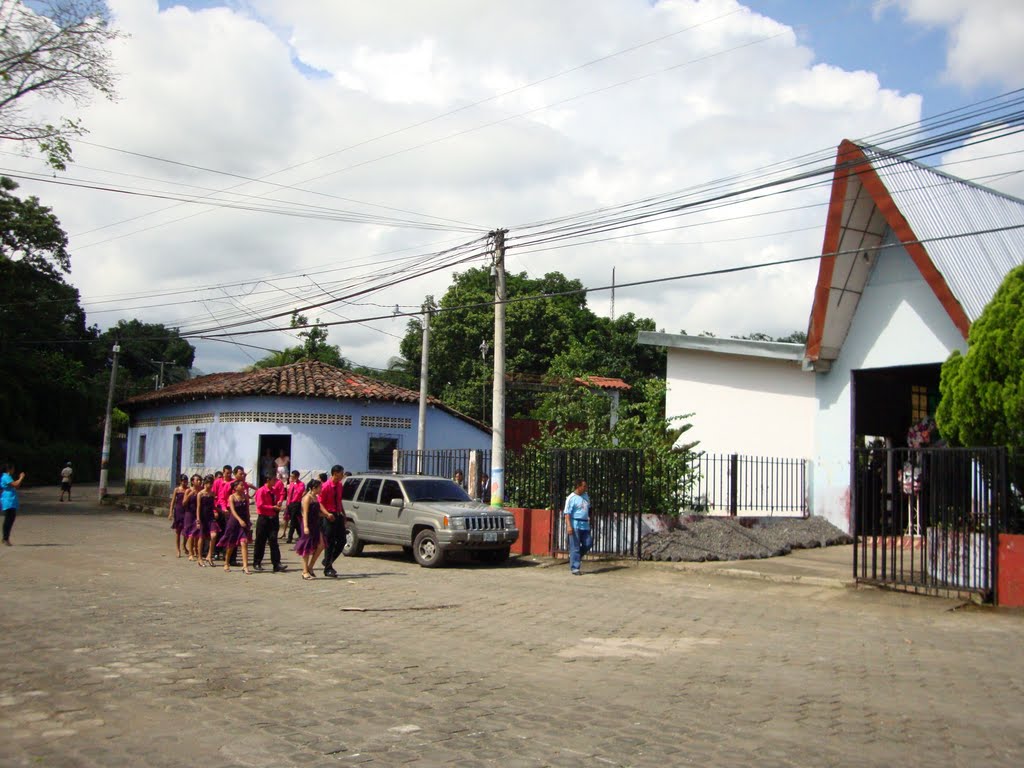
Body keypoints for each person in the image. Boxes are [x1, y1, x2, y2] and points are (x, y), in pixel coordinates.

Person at [252, 474, 287, 573]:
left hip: (273, 518)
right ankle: (257, 562)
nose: (275, 481)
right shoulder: (261, 491)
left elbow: (281, 494)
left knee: (273, 541)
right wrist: (272, 507)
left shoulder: (273, 490)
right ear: (268, 480)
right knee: (260, 541)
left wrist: (279, 501)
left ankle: (276, 564)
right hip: (264, 519)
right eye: (273, 479)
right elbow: (260, 505)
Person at [219, 479, 253, 574]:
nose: (243, 487)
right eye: (241, 485)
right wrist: (239, 520)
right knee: (231, 544)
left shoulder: (245, 497)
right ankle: (226, 562)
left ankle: (245, 566)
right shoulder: (232, 497)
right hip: (234, 522)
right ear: (235, 487)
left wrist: (248, 521)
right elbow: (232, 511)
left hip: (244, 522)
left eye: (243, 485)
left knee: (244, 542)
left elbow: (247, 510)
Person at [318, 464, 346, 578]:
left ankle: (327, 560)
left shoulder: (339, 485)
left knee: (342, 541)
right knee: (329, 542)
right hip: (328, 515)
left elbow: (339, 500)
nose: (342, 475)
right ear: (335, 474)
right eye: (341, 473)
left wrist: (343, 513)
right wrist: (327, 514)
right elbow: (320, 503)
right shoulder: (325, 486)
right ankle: (328, 568)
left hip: (338, 514)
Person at [294, 478, 324, 580]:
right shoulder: (307, 498)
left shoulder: (316, 497)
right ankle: (304, 571)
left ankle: (310, 566)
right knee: (306, 548)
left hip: (316, 523)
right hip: (308, 524)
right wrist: (306, 526)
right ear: (314, 488)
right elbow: (305, 513)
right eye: (320, 487)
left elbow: (318, 510)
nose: (321, 489)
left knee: (321, 545)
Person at [563, 479, 592, 576]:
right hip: (575, 524)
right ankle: (575, 568)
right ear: (578, 486)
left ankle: (575, 557)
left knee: (588, 543)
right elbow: (567, 513)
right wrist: (569, 526)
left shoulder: (586, 496)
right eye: (584, 486)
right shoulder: (571, 498)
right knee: (575, 547)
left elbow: (588, 508)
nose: (585, 488)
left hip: (585, 525)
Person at [196, 474, 219, 567]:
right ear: (205, 484)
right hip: (202, 517)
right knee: (201, 537)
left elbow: (212, 506)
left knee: (213, 536)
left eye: (211, 484)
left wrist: (219, 511)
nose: (210, 485)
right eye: (208, 483)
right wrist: (198, 519)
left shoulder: (212, 494)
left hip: (211, 517)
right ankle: (199, 557)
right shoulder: (200, 494)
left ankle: (209, 555)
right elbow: (198, 507)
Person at [1, 463, 25, 546]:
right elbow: (16, 484)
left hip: (11, 499)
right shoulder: (6, 476)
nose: (14, 470)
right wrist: (21, 477)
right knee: (8, 519)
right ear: (9, 469)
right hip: (8, 500)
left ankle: (5, 538)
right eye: (13, 469)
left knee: (10, 519)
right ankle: (5, 538)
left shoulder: (8, 477)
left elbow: (15, 485)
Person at [182, 474, 202, 562]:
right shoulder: (188, 490)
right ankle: (190, 553)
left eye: (200, 480)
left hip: (198, 514)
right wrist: (190, 495)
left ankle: (196, 550)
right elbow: (184, 503)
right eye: (197, 480)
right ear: (193, 482)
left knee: (197, 533)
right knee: (190, 534)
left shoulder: (201, 491)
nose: (199, 482)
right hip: (189, 513)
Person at [168, 474, 188, 558]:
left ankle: (184, 545)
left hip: (186, 511)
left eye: (186, 481)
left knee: (186, 531)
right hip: (178, 511)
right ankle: (178, 549)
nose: (185, 483)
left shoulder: (188, 490)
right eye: (183, 481)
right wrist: (170, 512)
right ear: (180, 481)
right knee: (178, 531)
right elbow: (173, 501)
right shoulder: (177, 489)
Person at [283, 470, 304, 544]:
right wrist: (287, 504)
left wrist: (295, 483)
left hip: (296, 503)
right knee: (296, 521)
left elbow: (299, 492)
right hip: (290, 504)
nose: (291, 478)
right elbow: (289, 494)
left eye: (293, 476)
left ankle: (290, 537)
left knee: (293, 521)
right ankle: (301, 535)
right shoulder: (291, 484)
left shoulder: (301, 484)